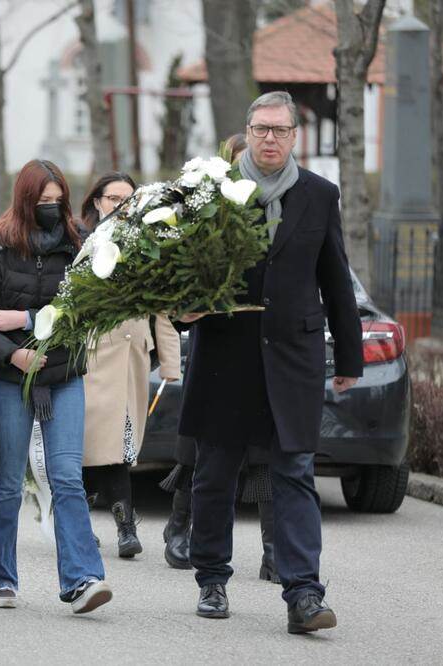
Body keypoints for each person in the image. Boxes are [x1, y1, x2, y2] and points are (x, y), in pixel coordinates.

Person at [177, 91, 362, 634]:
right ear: (248, 130)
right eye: (261, 129)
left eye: (281, 130)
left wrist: (349, 353)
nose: (270, 139)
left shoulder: (319, 195)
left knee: (295, 474)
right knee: (213, 473)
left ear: (295, 136)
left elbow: (336, 278)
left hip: (293, 355)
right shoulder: (214, 193)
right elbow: (182, 271)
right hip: (225, 353)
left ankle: (304, 593)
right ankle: (211, 578)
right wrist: (180, 309)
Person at [0, 159, 112, 615]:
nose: (51, 207)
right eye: (42, 201)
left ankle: (83, 579)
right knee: (7, 480)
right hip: (9, 380)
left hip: (64, 376)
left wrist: (22, 318)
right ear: (24, 200)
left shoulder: (81, 245)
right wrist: (13, 352)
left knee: (67, 479)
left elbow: (90, 309)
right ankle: (0, 578)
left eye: (58, 199)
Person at [163, 133, 281, 585]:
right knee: (205, 460)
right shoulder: (210, 216)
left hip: (271, 355)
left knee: (270, 460)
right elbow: (181, 294)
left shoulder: (283, 213)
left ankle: (274, 551)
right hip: (219, 357)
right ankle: (184, 533)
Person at [78, 172, 181, 558]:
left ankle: (124, 528)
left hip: (130, 358)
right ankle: (95, 526)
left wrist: (170, 364)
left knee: (120, 445)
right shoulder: (83, 242)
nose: (120, 205)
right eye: (113, 198)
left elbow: (164, 310)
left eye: (128, 198)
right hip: (91, 359)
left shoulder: (148, 244)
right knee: (91, 447)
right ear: (97, 201)